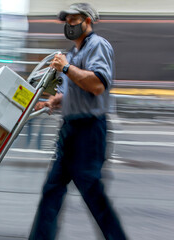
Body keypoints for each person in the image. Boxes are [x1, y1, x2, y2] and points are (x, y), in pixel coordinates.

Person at [29, 3, 127, 240]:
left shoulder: (98, 46)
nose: (69, 25)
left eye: (74, 20)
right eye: (67, 21)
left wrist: (66, 68)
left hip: (89, 132)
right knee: (52, 190)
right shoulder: (72, 54)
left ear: (88, 22)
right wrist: (53, 101)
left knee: (93, 194)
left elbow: (96, 85)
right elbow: (73, 91)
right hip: (70, 131)